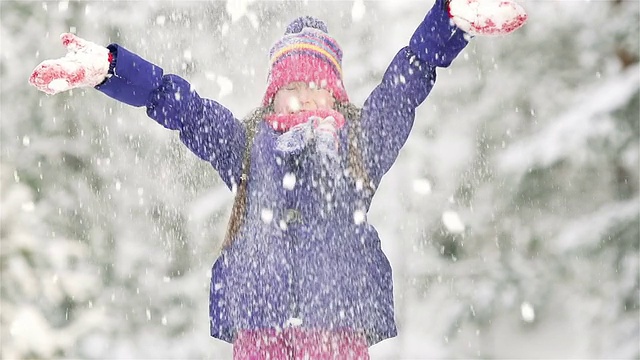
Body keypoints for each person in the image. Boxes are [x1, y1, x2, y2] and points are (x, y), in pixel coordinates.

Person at [29, 0, 526, 358]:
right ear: (272, 95)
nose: (307, 97)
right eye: (294, 87)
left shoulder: (359, 146)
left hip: (339, 334)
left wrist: (447, 19)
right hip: (260, 335)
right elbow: (177, 104)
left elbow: (409, 78)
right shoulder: (245, 148)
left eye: (319, 87)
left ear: (336, 96)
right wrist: (112, 70)